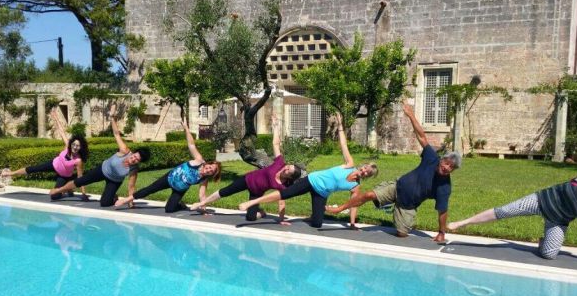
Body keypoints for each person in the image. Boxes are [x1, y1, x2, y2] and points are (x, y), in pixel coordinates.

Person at [448, 105, 577, 266]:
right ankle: (463, 223)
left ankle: (544, 241)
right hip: (541, 201)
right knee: (504, 211)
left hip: (558, 220)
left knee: (549, 255)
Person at [326, 99, 460, 241]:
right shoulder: (432, 158)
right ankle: (339, 209)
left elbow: (442, 210)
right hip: (396, 187)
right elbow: (421, 136)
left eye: (451, 167)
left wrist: (441, 232)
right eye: (446, 163)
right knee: (369, 195)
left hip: (408, 205)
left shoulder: (444, 187)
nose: (446, 167)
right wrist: (410, 115)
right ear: (442, 160)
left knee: (402, 234)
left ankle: (395, 210)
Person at [238, 111, 378, 228]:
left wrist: (352, 224)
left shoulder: (355, 187)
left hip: (321, 193)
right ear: (362, 166)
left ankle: (312, 216)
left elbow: (353, 204)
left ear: (367, 176)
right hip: (311, 180)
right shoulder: (349, 164)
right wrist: (340, 126)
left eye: (368, 173)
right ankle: (252, 203)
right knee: (285, 193)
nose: (364, 171)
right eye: (365, 168)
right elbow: (343, 145)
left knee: (317, 223)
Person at [189, 114, 301, 223]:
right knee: (226, 191)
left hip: (257, 192)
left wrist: (281, 219)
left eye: (288, 171)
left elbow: (281, 200)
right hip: (247, 180)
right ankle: (201, 203)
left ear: (290, 177)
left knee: (251, 217)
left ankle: (261, 213)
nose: (285, 168)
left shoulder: (283, 185)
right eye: (288, 166)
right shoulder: (280, 163)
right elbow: (276, 144)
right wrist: (275, 127)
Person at [49, 103, 150, 206]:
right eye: (134, 156)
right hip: (102, 170)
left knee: (105, 203)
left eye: (136, 160)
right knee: (80, 181)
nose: (133, 159)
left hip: (114, 181)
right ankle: (58, 190)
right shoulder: (125, 150)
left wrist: (130, 202)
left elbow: (131, 186)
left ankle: (113, 197)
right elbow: (116, 133)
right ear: (133, 153)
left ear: (139, 162)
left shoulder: (134, 170)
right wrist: (112, 117)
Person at [114, 118, 221, 212]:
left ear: (211, 174)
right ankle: (126, 199)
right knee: (150, 189)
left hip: (180, 189)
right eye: (210, 167)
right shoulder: (199, 160)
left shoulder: (204, 179)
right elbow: (191, 144)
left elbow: (202, 195)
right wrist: (186, 129)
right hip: (169, 178)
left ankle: (179, 204)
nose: (209, 169)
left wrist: (203, 207)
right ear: (209, 164)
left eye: (212, 171)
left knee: (169, 209)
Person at [5, 108, 89, 200]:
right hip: (54, 164)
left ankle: (66, 188)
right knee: (34, 168)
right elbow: (61, 132)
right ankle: (11, 173)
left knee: (54, 196)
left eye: (78, 146)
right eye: (74, 144)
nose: (75, 147)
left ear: (81, 147)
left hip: (64, 175)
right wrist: (56, 118)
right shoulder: (68, 145)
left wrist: (83, 194)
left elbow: (80, 178)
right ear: (71, 144)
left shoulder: (78, 160)